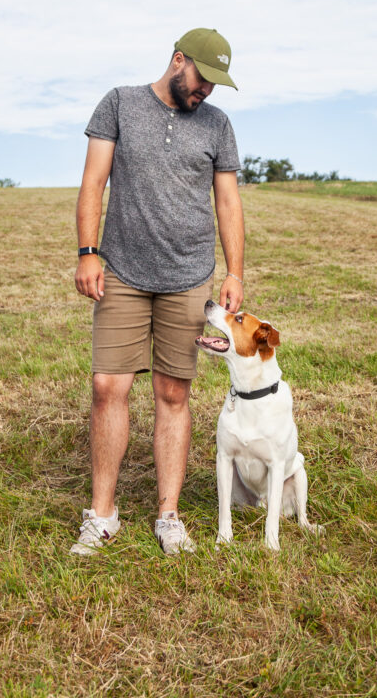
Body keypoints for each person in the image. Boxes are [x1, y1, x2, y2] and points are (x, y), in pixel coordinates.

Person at [71, 28, 245, 556]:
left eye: (217, 84)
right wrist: (87, 251)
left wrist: (234, 272)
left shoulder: (218, 124)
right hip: (121, 269)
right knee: (108, 386)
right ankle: (102, 515)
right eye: (203, 79)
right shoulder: (119, 104)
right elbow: (93, 182)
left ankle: (168, 515)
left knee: (173, 394)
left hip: (188, 274)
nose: (207, 92)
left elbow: (228, 203)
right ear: (177, 60)